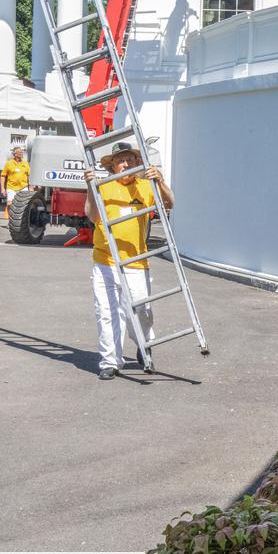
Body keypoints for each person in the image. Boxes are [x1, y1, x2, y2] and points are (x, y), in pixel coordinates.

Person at [83, 142, 174, 380]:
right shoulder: (103, 187)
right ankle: (110, 361)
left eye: (130, 160)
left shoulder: (145, 187)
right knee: (107, 312)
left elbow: (169, 204)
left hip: (136, 262)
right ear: (113, 166)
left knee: (141, 310)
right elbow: (92, 215)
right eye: (121, 160)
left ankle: (144, 344)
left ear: (136, 163)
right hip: (105, 260)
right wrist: (90, 187)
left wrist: (161, 182)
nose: (126, 164)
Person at [0, 147, 30, 219]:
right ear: (14, 154)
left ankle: (20, 219)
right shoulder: (9, 163)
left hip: (23, 187)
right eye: (19, 152)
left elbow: (29, 176)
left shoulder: (25, 163)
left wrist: (31, 187)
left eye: (22, 152)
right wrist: (2, 189)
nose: (21, 153)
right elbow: (3, 176)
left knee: (23, 204)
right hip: (11, 187)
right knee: (10, 203)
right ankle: (11, 217)